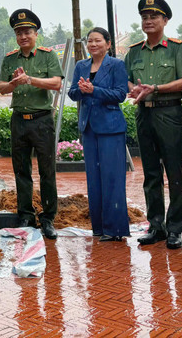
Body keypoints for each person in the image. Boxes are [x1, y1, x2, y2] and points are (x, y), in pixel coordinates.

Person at [125, 0, 182, 249]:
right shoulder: (134, 52)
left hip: (169, 113)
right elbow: (128, 80)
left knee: (174, 172)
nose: (148, 20)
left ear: (165, 20)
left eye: (154, 16)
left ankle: (175, 228)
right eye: (144, 17)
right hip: (144, 114)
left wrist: (155, 87)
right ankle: (156, 226)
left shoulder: (177, 48)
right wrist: (135, 89)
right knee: (151, 173)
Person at [0, 9, 63, 240]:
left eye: (27, 32)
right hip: (19, 121)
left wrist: (30, 79)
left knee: (47, 170)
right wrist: (14, 84)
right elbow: (2, 88)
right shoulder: (9, 59)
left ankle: (48, 218)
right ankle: (25, 214)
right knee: (21, 170)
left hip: (42, 120)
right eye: (19, 32)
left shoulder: (48, 56)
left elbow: (56, 83)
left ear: (36, 34)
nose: (23, 36)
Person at [67, 27, 130, 241]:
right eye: (90, 41)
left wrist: (94, 90)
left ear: (108, 44)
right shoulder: (81, 65)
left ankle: (115, 229)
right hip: (89, 128)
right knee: (94, 179)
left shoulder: (117, 65)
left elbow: (121, 94)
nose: (93, 45)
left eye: (98, 41)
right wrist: (81, 89)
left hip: (111, 127)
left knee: (112, 177)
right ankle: (99, 227)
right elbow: (72, 93)